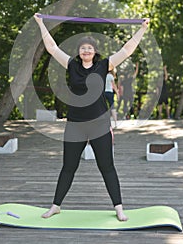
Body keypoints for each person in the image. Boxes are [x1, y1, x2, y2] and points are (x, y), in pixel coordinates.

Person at [34, 13, 150, 222]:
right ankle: (55, 206)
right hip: (75, 125)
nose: (86, 50)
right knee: (69, 166)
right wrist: (41, 24)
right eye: (82, 48)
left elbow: (126, 50)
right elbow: (52, 48)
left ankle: (119, 208)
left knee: (107, 167)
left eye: (89, 47)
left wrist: (141, 30)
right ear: (78, 52)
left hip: (99, 125)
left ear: (94, 51)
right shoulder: (72, 66)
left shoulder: (103, 65)